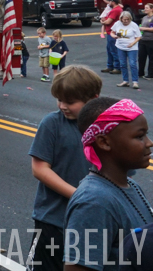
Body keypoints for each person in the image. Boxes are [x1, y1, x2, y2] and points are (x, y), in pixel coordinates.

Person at [64, 97, 153, 271]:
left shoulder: (130, 185)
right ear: (104, 142)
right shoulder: (94, 202)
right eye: (139, 136)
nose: (149, 143)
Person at [28, 66, 101, 271]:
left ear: (93, 99)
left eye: (69, 102)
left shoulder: (107, 128)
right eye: (59, 100)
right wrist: (80, 196)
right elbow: (40, 169)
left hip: (92, 223)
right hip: (53, 220)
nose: (62, 106)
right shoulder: (52, 123)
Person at [112, 11, 142, 89]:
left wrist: (132, 43)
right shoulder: (117, 24)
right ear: (121, 19)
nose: (126, 21)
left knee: (132, 64)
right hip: (120, 46)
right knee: (123, 64)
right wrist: (114, 36)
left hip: (131, 48)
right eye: (124, 19)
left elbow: (139, 36)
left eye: (127, 19)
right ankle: (125, 81)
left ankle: (135, 82)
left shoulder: (133, 25)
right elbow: (112, 32)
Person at [102, 0, 124, 75]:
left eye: (110, 1)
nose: (109, 3)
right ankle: (110, 66)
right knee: (110, 50)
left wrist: (103, 22)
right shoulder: (118, 9)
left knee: (114, 50)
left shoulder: (115, 10)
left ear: (113, 2)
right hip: (111, 32)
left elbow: (108, 21)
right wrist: (104, 20)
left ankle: (117, 67)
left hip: (113, 33)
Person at [138, 3, 153, 81]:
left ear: (151, 9)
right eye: (145, 8)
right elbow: (141, 27)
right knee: (141, 57)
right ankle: (140, 73)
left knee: (151, 58)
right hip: (143, 40)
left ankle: (150, 74)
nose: (145, 9)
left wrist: (143, 28)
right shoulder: (144, 18)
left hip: (151, 40)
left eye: (147, 8)